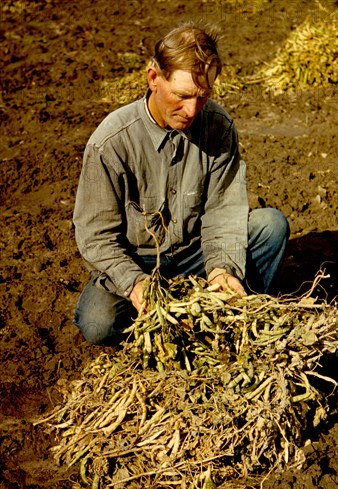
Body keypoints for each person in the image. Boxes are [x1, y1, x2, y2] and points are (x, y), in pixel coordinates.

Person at [73, 23, 290, 345]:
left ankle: (224, 316)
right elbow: (95, 236)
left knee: (270, 226)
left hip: (195, 253)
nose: (191, 111)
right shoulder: (112, 142)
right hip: (139, 260)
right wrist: (134, 283)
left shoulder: (217, 126)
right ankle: (168, 319)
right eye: (182, 96)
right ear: (153, 79)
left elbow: (223, 211)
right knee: (97, 323)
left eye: (202, 97)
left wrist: (221, 269)